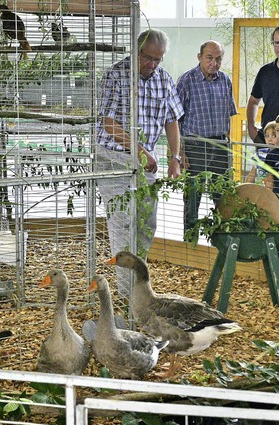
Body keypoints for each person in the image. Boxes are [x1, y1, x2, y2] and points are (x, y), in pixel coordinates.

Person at [96, 28, 183, 294]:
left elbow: (172, 121)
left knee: (146, 223)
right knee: (123, 223)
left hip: (146, 163)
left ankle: (139, 283)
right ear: (136, 51)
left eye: (158, 59)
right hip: (113, 158)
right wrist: (140, 150)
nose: (152, 64)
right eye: (148, 58)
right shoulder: (115, 75)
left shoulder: (164, 80)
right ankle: (127, 293)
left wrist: (175, 158)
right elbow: (108, 123)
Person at [176, 40, 238, 233]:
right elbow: (175, 119)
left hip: (220, 145)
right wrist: (179, 151)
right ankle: (190, 242)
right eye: (209, 58)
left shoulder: (225, 80)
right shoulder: (186, 80)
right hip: (194, 146)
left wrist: (229, 148)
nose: (214, 63)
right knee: (193, 198)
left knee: (223, 197)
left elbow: (230, 115)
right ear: (200, 57)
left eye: (218, 59)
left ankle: (223, 241)